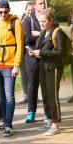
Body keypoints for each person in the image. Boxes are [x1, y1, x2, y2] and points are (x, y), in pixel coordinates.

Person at [0, 0, 24, 137]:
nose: (3, 14)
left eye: (5, 12)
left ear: (9, 10)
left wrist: (16, 65)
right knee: (0, 96)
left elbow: (20, 44)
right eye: (0, 12)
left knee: (9, 96)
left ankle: (8, 124)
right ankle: (4, 121)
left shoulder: (16, 23)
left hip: (9, 65)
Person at [28, 8, 65, 136]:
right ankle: (48, 122)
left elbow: (60, 52)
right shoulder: (44, 32)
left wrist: (42, 53)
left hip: (53, 68)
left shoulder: (57, 32)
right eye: (41, 21)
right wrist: (34, 52)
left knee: (52, 96)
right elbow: (41, 48)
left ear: (51, 20)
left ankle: (55, 125)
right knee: (45, 95)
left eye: (44, 21)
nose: (42, 23)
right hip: (42, 67)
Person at [21, 0, 43, 123]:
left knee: (45, 86)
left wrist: (39, 33)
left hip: (45, 56)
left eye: (43, 3)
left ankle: (47, 113)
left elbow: (52, 36)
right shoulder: (28, 20)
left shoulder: (49, 18)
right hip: (31, 57)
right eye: (40, 3)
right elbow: (27, 38)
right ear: (34, 6)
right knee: (32, 85)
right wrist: (43, 35)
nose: (43, 5)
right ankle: (31, 112)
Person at [17, 1, 35, 104]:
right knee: (23, 73)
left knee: (32, 73)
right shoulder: (21, 20)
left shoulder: (36, 20)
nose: (30, 12)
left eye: (32, 10)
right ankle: (25, 95)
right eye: (29, 10)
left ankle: (33, 95)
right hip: (22, 50)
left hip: (32, 49)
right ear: (25, 10)